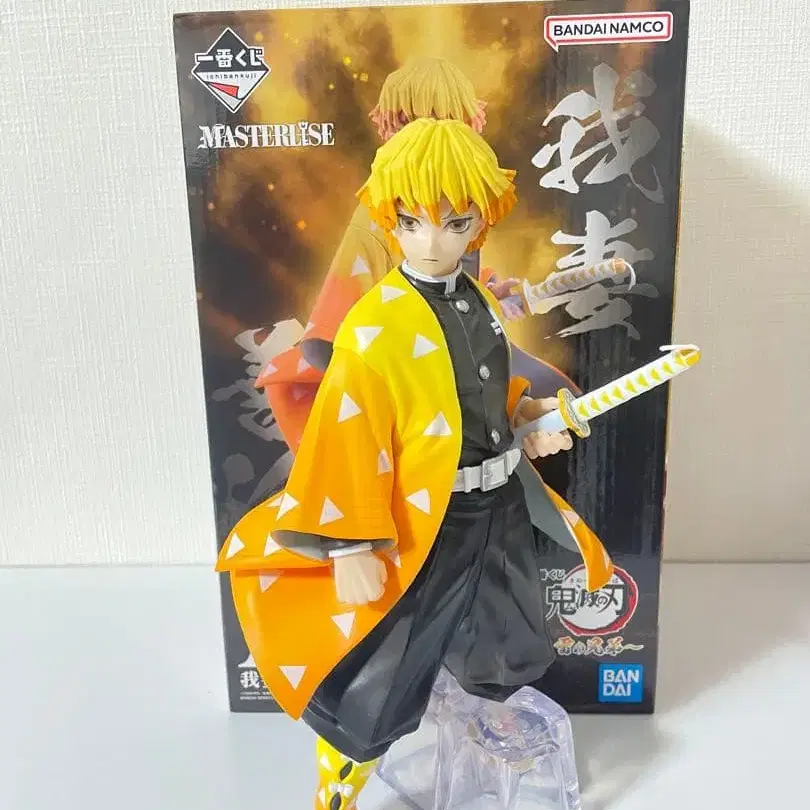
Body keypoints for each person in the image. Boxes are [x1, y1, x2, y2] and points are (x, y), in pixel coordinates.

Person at [217, 118, 613, 810]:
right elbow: (347, 432)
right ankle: (340, 782)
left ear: (480, 220)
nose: (432, 242)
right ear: (388, 218)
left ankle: (489, 727)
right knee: (387, 665)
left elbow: (478, 398)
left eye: (455, 223)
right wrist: (350, 544)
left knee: (506, 635)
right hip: (422, 521)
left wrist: (527, 422)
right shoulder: (377, 324)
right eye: (412, 222)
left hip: (497, 508)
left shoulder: (478, 302)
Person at [257, 56, 578, 455]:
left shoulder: (466, 194)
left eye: (449, 122)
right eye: (415, 124)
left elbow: (453, 282)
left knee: (551, 401)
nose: (433, 137)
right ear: (392, 127)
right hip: (408, 378)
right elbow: (329, 336)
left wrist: (487, 297)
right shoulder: (383, 207)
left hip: (463, 360)